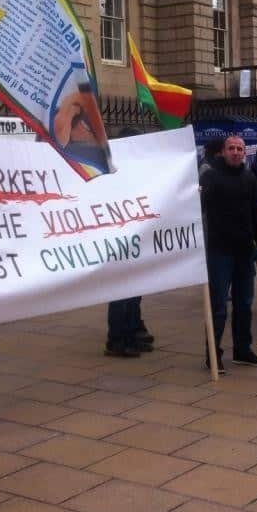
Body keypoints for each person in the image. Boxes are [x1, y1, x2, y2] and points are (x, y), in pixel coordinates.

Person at [200, 134, 257, 373]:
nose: (236, 152)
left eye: (240, 149)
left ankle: (243, 349)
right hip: (219, 251)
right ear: (223, 151)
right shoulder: (211, 177)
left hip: (244, 252)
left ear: (244, 152)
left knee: (244, 303)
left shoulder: (249, 178)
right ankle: (213, 353)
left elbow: (256, 216)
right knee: (218, 306)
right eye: (231, 148)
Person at [105, 127, 155, 357]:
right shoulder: (111, 171)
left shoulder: (137, 170)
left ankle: (132, 331)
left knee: (135, 290)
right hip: (118, 241)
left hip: (137, 238)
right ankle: (116, 339)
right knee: (120, 292)